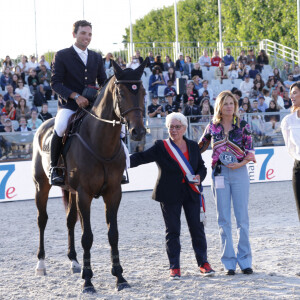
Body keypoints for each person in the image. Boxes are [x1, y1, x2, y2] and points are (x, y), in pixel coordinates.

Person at [130, 112, 215, 279]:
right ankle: (174, 267)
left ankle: (203, 263)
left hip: (191, 193)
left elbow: (202, 167)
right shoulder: (161, 146)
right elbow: (142, 157)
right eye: (171, 127)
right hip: (169, 194)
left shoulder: (192, 146)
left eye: (177, 127)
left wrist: (200, 176)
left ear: (184, 128)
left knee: (197, 229)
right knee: (173, 231)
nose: (174, 130)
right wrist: (121, 161)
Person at [199, 90, 256, 276]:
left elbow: (250, 151)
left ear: (236, 106)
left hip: (239, 172)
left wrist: (240, 163)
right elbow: (199, 147)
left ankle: (245, 261)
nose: (229, 106)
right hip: (219, 174)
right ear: (219, 107)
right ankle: (228, 263)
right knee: (223, 219)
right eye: (225, 103)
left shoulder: (244, 126)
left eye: (232, 103)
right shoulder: (212, 128)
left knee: (242, 219)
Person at [50, 20, 106, 185]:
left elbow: (102, 81)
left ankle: (120, 167)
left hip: (92, 105)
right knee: (60, 127)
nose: (87, 37)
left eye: (89, 34)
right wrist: (75, 96)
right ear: (74, 34)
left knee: (120, 127)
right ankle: (55, 169)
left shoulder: (96, 57)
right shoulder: (62, 55)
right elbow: (56, 83)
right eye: (83, 33)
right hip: (70, 105)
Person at [281, 82, 300, 221]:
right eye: (291, 93)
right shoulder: (288, 121)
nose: (291, 96)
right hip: (298, 168)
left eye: (295, 92)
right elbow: (290, 148)